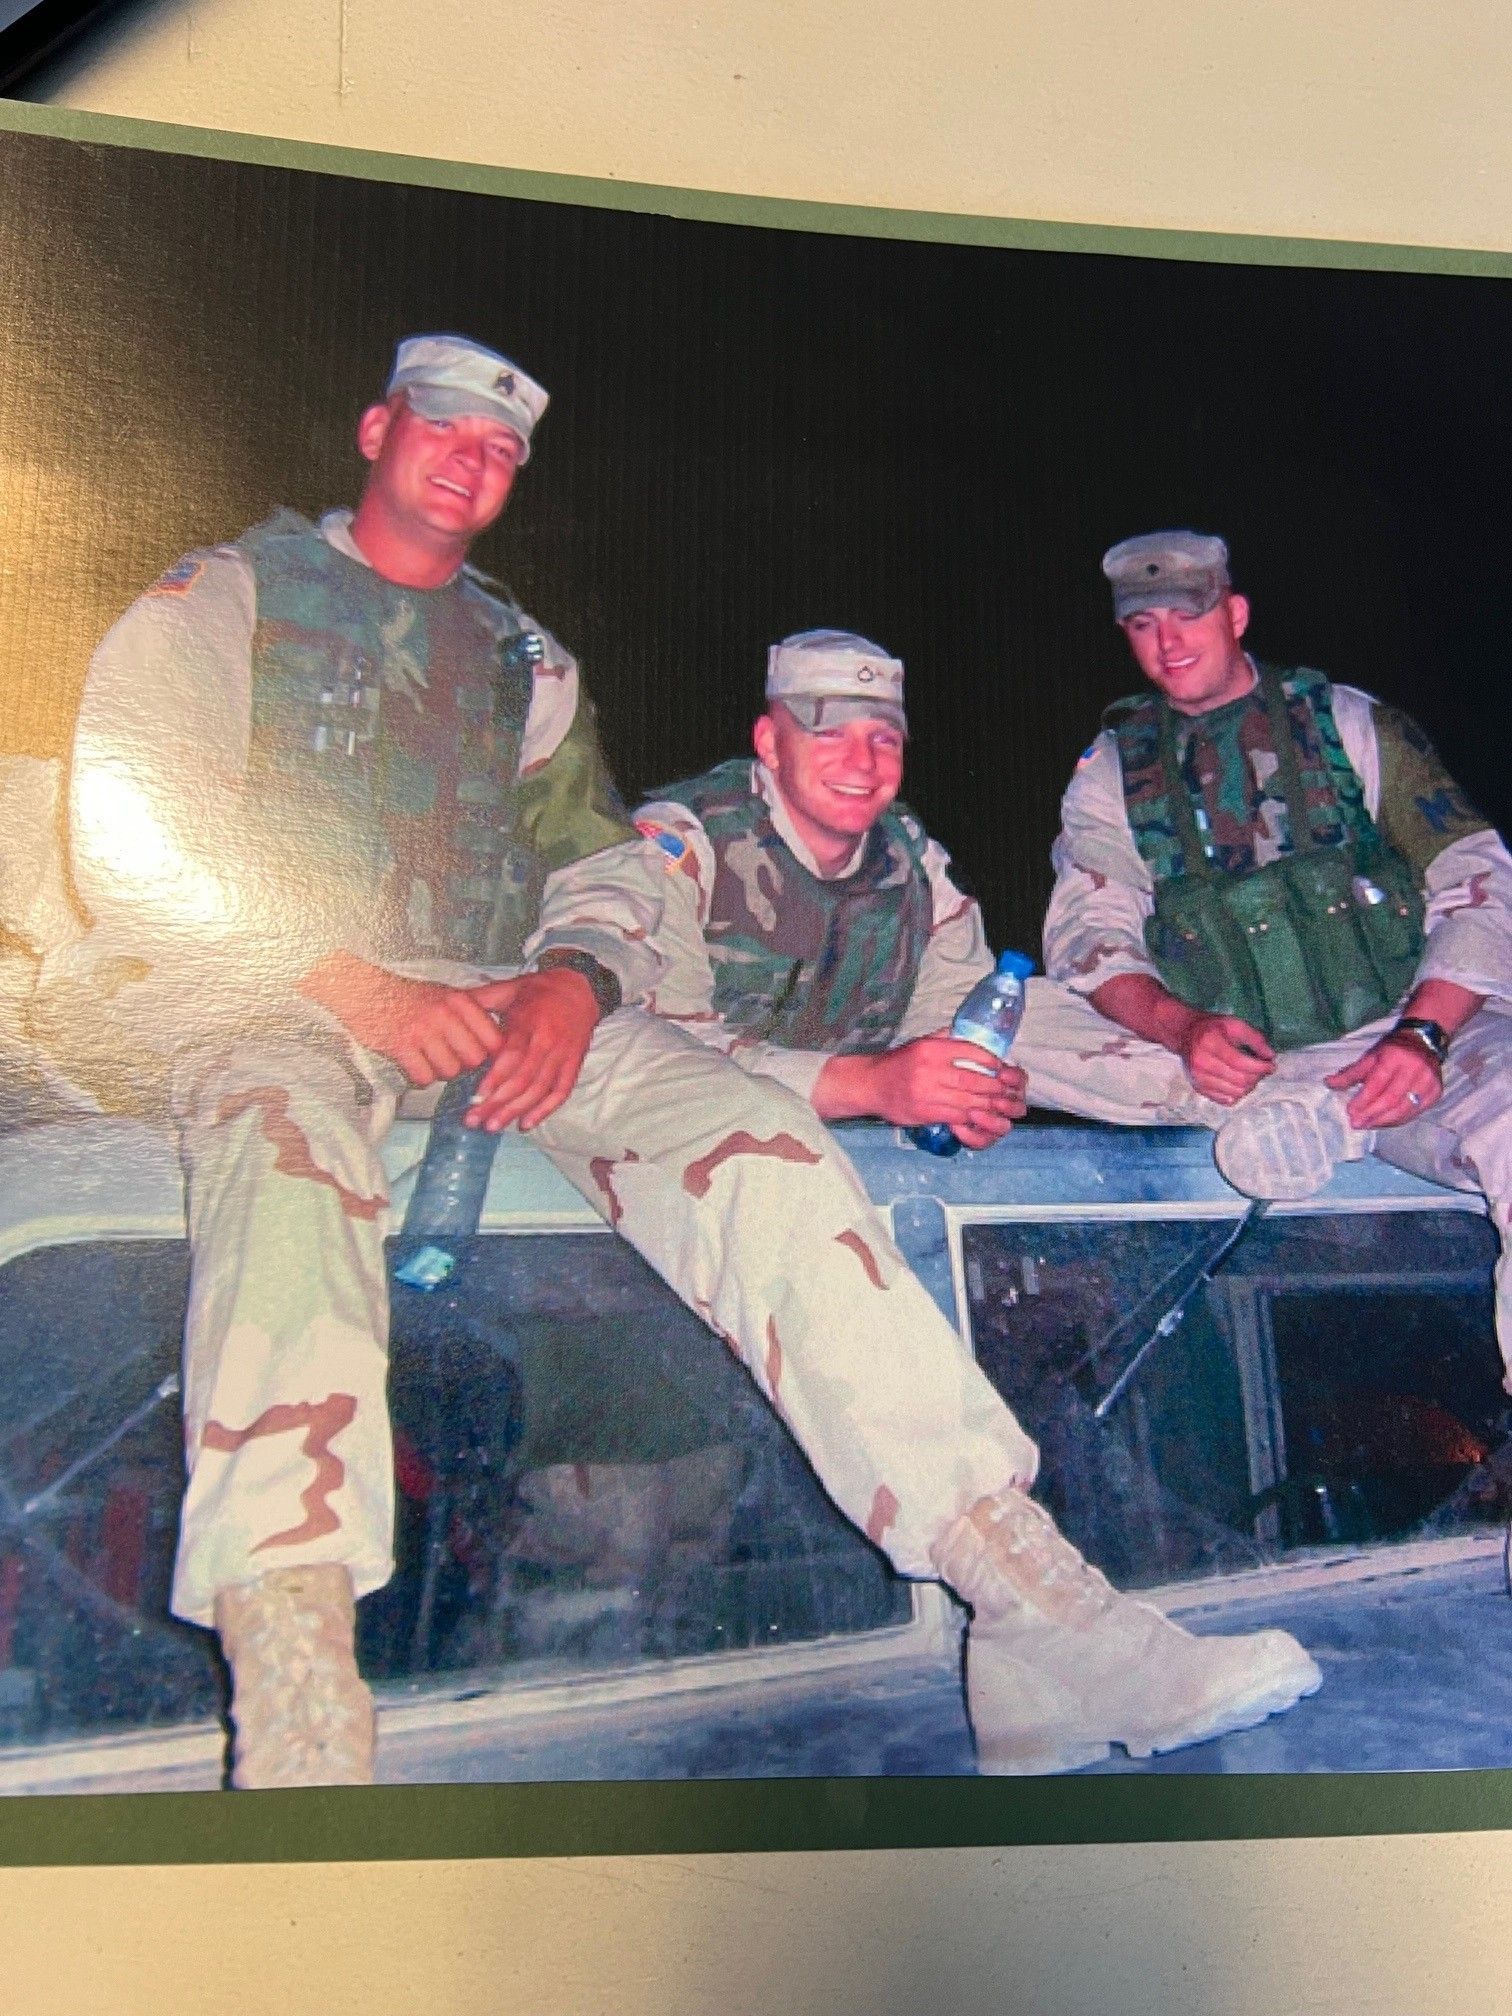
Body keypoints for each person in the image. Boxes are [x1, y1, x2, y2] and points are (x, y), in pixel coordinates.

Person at [488, 627, 1322, 1778]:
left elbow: (975, 1007)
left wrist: (1082, 1083)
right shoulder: (681, 847)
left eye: (886, 735)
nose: (865, 758)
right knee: (617, 1574)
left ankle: (1028, 1678)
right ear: (767, 741)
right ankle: (1057, 1621)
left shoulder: (909, 869)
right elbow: (645, 1042)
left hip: (792, 1274)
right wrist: (873, 1084)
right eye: (829, 731)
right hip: (606, 1257)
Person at [35, 333, 662, 1787]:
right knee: (283, 1127)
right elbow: (134, 830)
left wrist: (573, 981)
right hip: (249, 995)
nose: (473, 457)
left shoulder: (525, 663)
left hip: (458, 1027)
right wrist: (357, 992)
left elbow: (608, 866)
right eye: (446, 427)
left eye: (505, 449)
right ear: (378, 429)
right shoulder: (232, 600)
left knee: (714, 1115)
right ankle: (300, 1684)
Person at [1011, 531, 1512, 1376]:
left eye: (1189, 614)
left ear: (1235, 614)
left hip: (1405, 1047)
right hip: (1238, 1064)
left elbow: (1478, 874)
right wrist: (1181, 1029)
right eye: (1143, 625)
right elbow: (1088, 936)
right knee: (1008, 1015)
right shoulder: (1113, 770)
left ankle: (1323, 1125)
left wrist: (1424, 1034)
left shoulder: (1348, 723)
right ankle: (1288, 1117)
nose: (1167, 642)